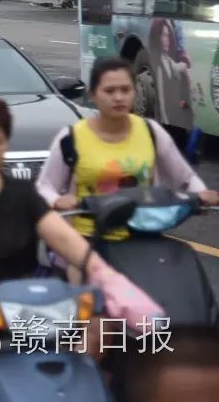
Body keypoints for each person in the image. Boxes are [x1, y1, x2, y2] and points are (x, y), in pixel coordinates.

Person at [0, 95, 162, 402]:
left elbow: (68, 242)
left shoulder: (21, 195)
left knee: (115, 356)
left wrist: (106, 278)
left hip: (22, 316)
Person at [35, 56, 217, 267]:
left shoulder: (150, 131)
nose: (119, 97)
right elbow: (44, 186)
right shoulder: (71, 138)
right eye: (110, 91)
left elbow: (184, 178)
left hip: (142, 239)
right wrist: (57, 201)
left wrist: (201, 195)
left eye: (125, 89)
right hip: (86, 246)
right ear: (93, 95)